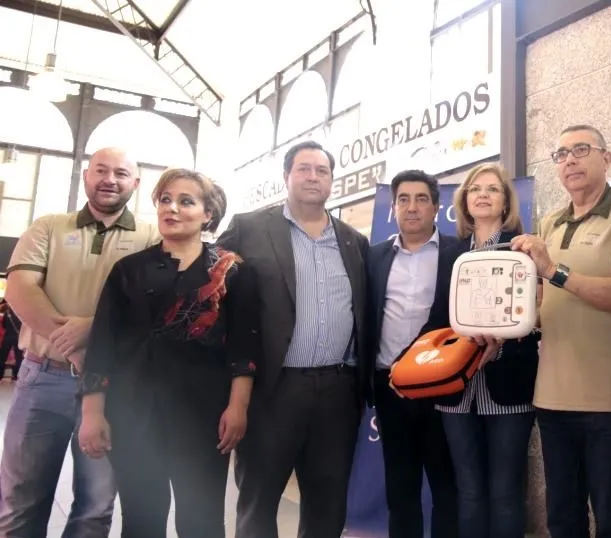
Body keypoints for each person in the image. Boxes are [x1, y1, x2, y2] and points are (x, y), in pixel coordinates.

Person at [76, 170, 258, 537]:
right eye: (165, 200)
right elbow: (103, 345)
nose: (172, 208)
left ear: (208, 214)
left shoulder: (232, 270)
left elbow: (244, 346)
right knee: (142, 519)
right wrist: (92, 412)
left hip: (203, 414)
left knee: (202, 520)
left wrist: (238, 407)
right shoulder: (128, 270)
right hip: (133, 412)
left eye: (186, 201)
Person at [0, 147, 160, 537]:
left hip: (114, 389)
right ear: (86, 176)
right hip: (44, 379)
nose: (110, 179)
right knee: (20, 499)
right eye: (101, 171)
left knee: (95, 505)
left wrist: (92, 328)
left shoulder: (152, 237)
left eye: (121, 173)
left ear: (135, 183)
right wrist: (75, 348)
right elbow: (21, 289)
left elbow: (157, 307)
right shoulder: (49, 227)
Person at [217, 140, 370, 538]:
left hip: (337, 392)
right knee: (259, 499)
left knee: (327, 503)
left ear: (333, 180)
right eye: (304, 168)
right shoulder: (249, 228)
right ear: (286, 176)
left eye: (322, 170)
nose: (313, 177)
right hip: (272, 388)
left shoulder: (354, 241)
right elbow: (215, 297)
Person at [511, 124, 611, 538]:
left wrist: (553, 270)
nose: (570, 160)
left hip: (608, 396)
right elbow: (540, 305)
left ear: (606, 158)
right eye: (561, 154)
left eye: (581, 150)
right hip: (551, 395)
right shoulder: (550, 221)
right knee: (562, 516)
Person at [434, 163, 539, 538]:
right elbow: (438, 318)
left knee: (506, 491)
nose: (482, 195)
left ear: (506, 201)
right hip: (457, 388)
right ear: (464, 200)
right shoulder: (449, 252)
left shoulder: (522, 248)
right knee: (469, 490)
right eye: (475, 189)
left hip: (508, 384)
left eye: (492, 189)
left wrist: (506, 340)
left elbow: (536, 314)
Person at [366, 170, 472, 538]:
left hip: (442, 387)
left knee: (447, 485)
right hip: (389, 387)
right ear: (393, 207)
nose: (412, 207)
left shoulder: (459, 253)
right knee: (400, 484)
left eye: (421, 199)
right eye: (404, 199)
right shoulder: (374, 257)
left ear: (436, 206)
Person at [0, 300, 24, 381]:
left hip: (7, 337)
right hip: (18, 337)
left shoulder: (7, 312)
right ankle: (17, 375)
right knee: (19, 357)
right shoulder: (21, 313)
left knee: (2, 356)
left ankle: (0, 374)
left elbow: (4, 325)